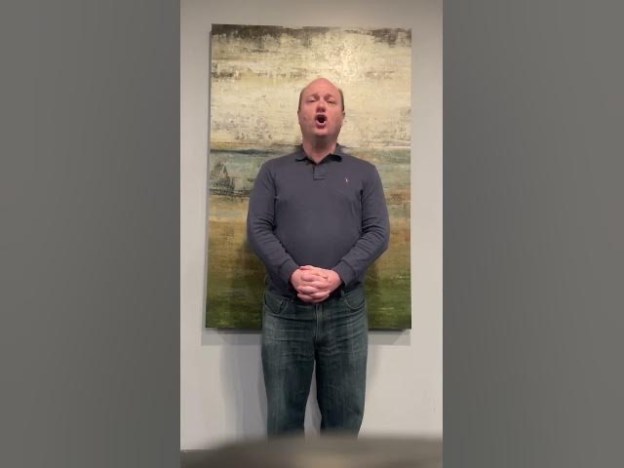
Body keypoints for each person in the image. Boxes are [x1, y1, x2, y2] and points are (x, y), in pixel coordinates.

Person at [246, 77, 390, 436]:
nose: (321, 105)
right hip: (284, 309)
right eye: (312, 100)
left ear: (342, 116)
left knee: (344, 422)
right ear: (300, 114)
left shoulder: (365, 173)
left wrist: (337, 275)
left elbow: (377, 233)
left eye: (330, 100)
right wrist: (293, 274)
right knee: (283, 421)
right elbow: (258, 229)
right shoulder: (272, 172)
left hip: (346, 309)